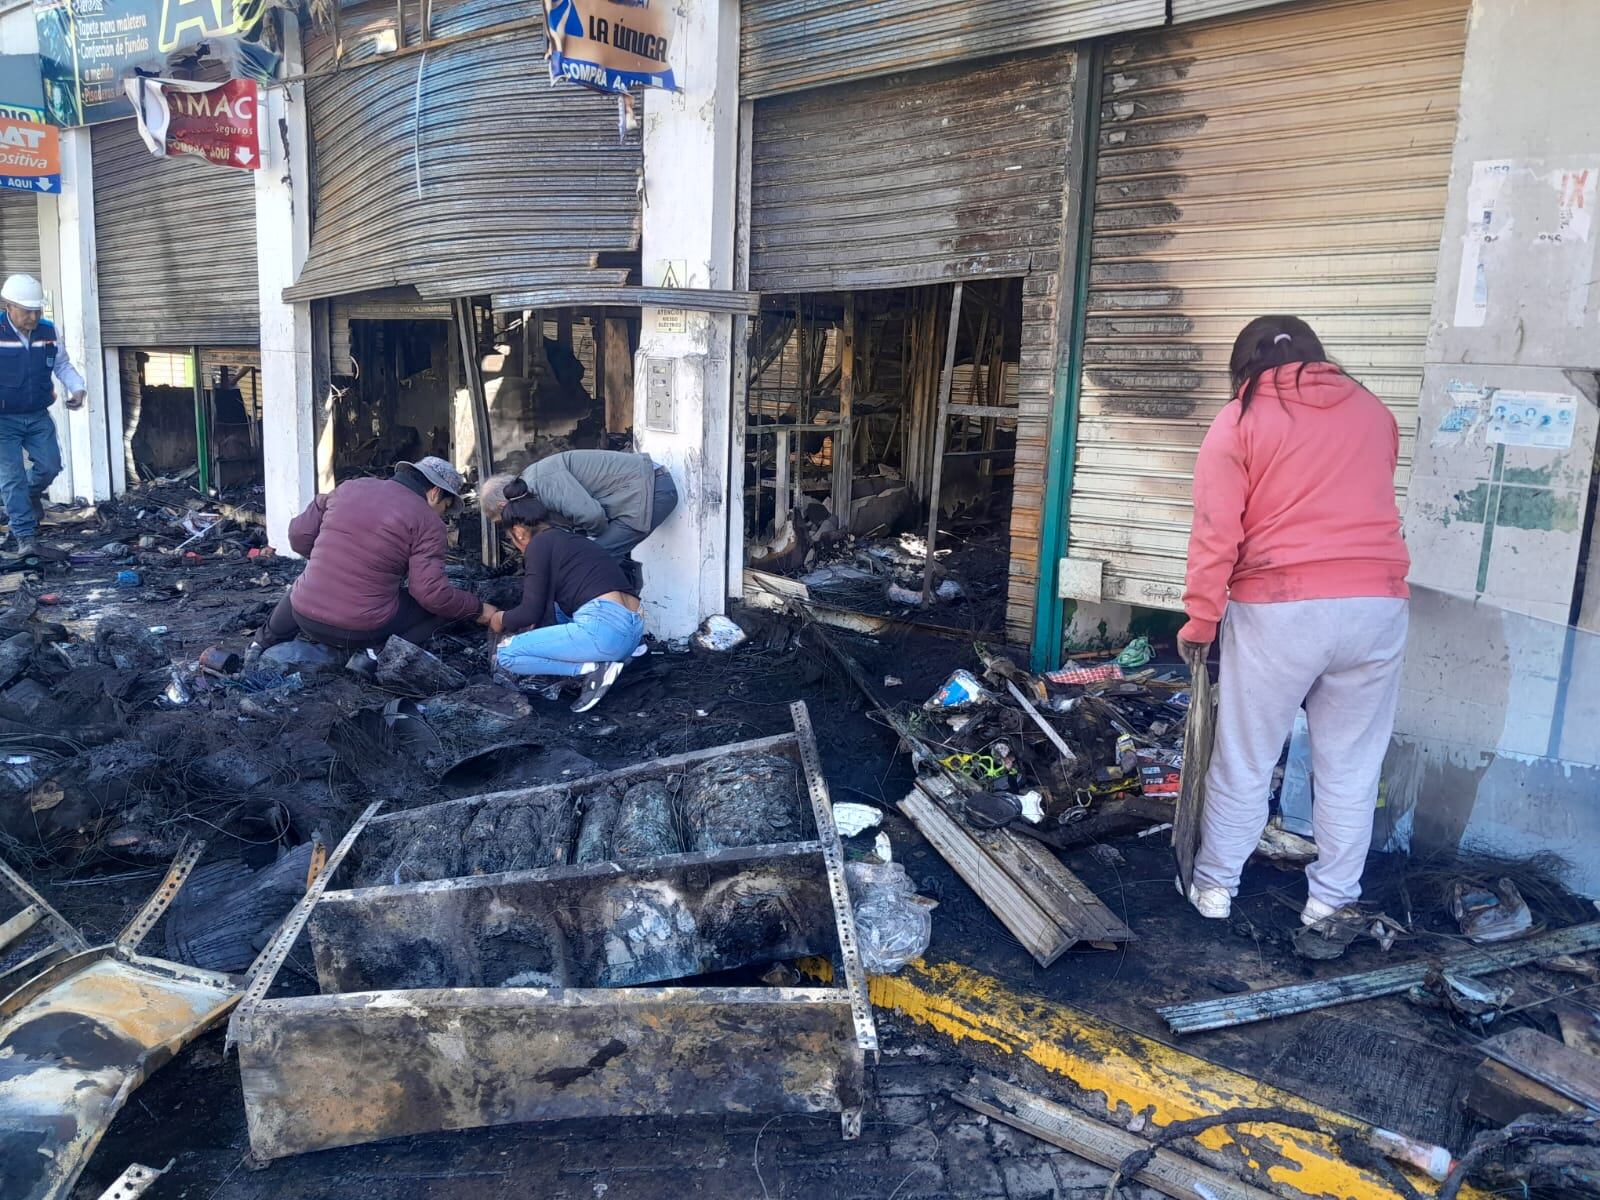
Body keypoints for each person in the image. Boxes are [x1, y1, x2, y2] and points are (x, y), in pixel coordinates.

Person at [1177, 316, 1410, 950]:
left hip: (1281, 608)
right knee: (1351, 768)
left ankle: (1217, 885)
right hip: (1377, 606)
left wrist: (1201, 619)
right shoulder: (1374, 411)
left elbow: (1215, 532)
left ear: (1242, 365)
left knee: (1247, 755)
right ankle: (1331, 902)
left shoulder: (1241, 419)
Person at [249, 457, 497, 660]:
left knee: (307, 582)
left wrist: (328, 559)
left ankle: (260, 645)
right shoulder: (427, 520)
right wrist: (476, 608)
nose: (443, 517)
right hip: (359, 630)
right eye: (445, 508)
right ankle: (374, 657)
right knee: (441, 609)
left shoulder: (349, 488)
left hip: (304, 615)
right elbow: (430, 593)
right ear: (434, 494)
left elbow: (298, 534)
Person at [491, 491, 645, 713]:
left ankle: (590, 669)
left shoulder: (538, 545)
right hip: (632, 631)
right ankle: (603, 662)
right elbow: (548, 609)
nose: (514, 544)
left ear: (519, 532)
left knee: (507, 654)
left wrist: (500, 618)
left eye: (510, 538)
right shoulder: (572, 540)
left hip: (604, 631)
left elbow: (529, 612)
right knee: (557, 609)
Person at [0, 274, 86, 556]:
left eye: (38, 310)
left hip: (37, 415)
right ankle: (25, 536)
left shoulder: (49, 331)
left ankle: (29, 495)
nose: (34, 316)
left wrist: (77, 388)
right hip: (4, 419)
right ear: (9, 306)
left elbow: (61, 365)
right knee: (11, 478)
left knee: (50, 466)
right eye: (27, 311)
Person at [481, 449, 678, 572]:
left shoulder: (540, 481)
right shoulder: (530, 485)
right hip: (637, 492)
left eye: (504, 520)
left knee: (591, 559)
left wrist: (587, 543)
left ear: (503, 506)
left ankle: (612, 619)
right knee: (596, 557)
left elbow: (591, 515)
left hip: (649, 489)